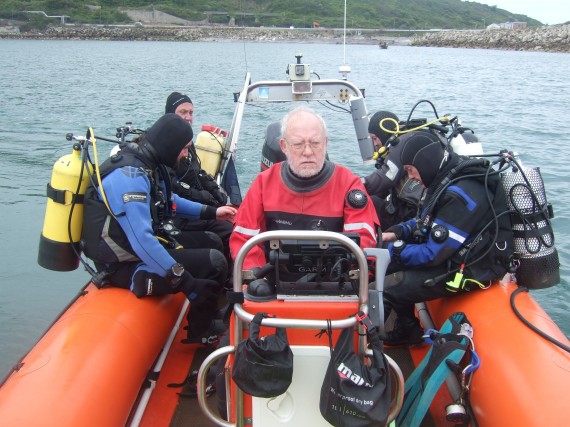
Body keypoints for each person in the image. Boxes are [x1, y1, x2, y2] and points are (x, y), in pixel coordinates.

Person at [82, 113, 237, 345]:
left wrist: (211, 212)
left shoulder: (149, 164)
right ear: (170, 144)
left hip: (137, 247)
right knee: (213, 261)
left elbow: (167, 199)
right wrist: (184, 281)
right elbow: (141, 240)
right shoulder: (129, 177)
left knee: (214, 241)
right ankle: (200, 331)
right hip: (122, 264)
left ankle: (205, 316)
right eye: (184, 149)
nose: (186, 154)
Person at [381, 131, 514, 346]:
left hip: (475, 268)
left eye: (410, 170)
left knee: (392, 287)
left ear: (424, 163)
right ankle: (408, 329)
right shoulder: (447, 177)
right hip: (456, 252)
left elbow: (432, 255)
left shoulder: (462, 194)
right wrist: (397, 232)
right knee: (388, 265)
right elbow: (427, 220)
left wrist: (392, 250)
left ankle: (396, 334)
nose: (411, 177)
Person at [230, 106, 380, 276]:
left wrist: (350, 282)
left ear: (326, 143)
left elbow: (364, 243)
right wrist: (256, 279)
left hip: (336, 284)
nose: (308, 152)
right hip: (272, 284)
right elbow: (243, 239)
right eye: (298, 144)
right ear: (284, 146)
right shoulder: (263, 183)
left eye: (315, 143)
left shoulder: (348, 185)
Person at [165, 91, 233, 264]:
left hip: (195, 206)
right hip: (178, 215)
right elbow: (175, 187)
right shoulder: (165, 146)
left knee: (232, 220)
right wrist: (206, 200)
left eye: (191, 113)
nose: (188, 117)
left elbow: (198, 173)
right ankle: (229, 279)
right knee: (226, 229)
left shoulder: (188, 142)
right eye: (183, 112)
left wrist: (215, 191)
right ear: (170, 115)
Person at [363, 111, 425, 229]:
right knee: (369, 199)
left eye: (375, 138)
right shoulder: (400, 144)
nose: (375, 144)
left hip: (410, 213)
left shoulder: (399, 146)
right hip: (407, 207)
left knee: (370, 203)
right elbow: (382, 189)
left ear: (384, 133)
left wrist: (351, 184)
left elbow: (385, 179)